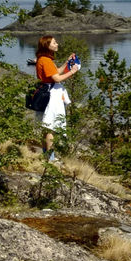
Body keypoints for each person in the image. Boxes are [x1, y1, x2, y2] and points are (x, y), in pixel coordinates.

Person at [35, 35, 80, 164]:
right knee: (51, 127)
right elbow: (57, 79)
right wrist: (72, 72)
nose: (57, 44)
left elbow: (56, 72)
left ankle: (47, 156)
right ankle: (50, 159)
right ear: (47, 46)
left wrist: (66, 63)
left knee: (46, 127)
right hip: (52, 96)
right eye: (54, 43)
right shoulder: (46, 60)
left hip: (46, 92)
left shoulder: (43, 59)